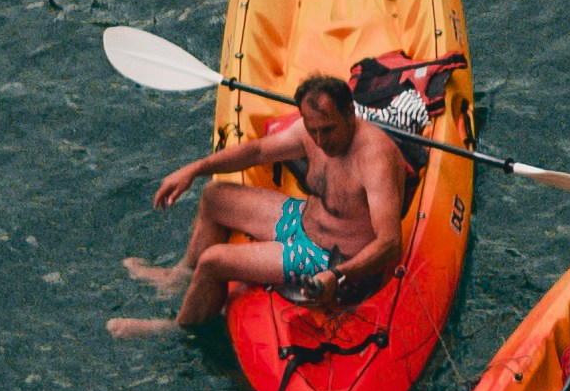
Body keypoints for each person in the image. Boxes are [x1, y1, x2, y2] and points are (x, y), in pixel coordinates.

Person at [114, 71, 407, 340]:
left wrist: (337, 275)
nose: (320, 141)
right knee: (213, 196)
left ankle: (178, 329)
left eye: (328, 130)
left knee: (214, 260)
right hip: (303, 220)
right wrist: (193, 169)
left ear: (350, 113)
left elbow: (390, 243)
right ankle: (180, 277)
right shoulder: (313, 133)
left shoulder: (374, 158)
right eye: (313, 130)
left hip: (332, 261)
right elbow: (257, 151)